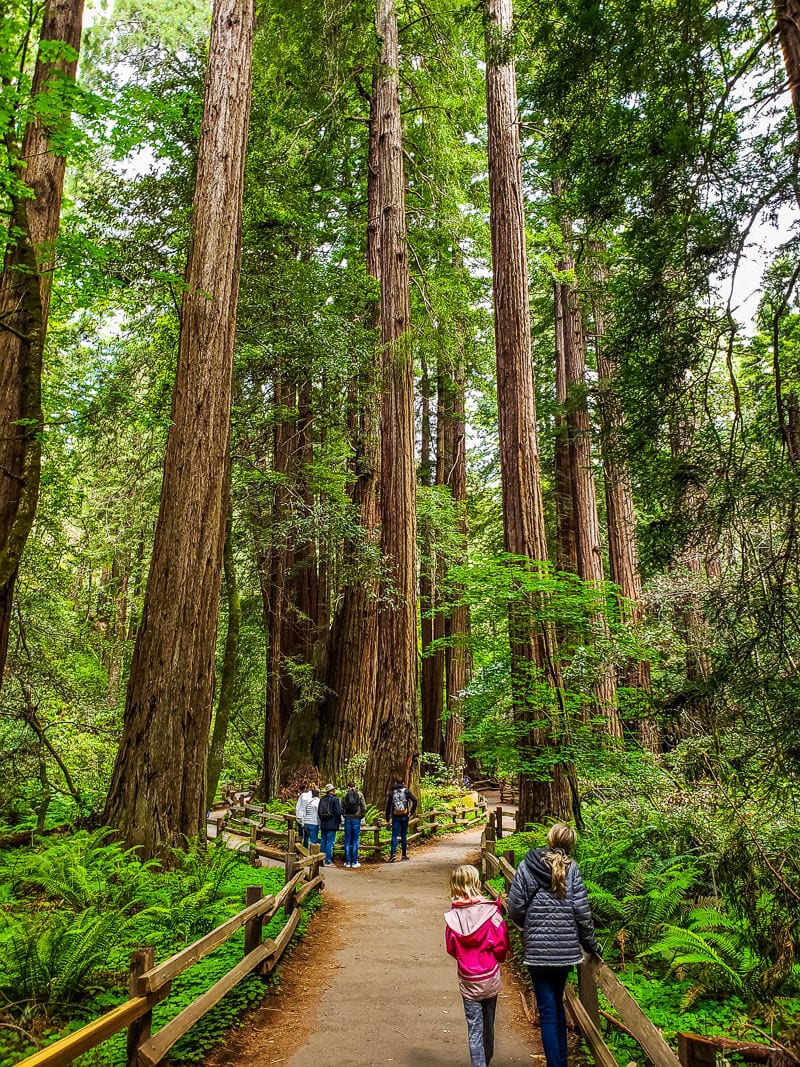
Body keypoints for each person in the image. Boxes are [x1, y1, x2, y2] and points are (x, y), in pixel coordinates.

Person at [506, 823, 601, 1067]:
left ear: (549, 840)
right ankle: (560, 1063)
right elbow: (582, 913)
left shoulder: (527, 865)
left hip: (537, 951)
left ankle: (556, 1064)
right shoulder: (573, 870)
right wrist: (591, 944)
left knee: (548, 1010)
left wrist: (527, 927)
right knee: (556, 1004)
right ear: (571, 844)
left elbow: (515, 907)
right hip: (565, 952)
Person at [445, 864, 510, 1067]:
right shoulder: (491, 913)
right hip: (489, 975)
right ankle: (487, 1059)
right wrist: (498, 958)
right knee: (488, 1022)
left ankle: (478, 1064)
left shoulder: (453, 918)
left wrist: (465, 957)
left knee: (474, 1026)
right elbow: (501, 943)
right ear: (476, 883)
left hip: (468, 978)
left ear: (455, 887)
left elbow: (451, 947)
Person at [384, 778, 417, 862]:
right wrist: (411, 812)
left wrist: (387, 818)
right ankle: (404, 855)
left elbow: (388, 806)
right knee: (403, 835)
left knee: (394, 835)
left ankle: (392, 855)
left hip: (395, 816)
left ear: (395, 783)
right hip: (405, 815)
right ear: (403, 783)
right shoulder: (406, 791)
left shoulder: (392, 793)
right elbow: (415, 800)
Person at [341, 779, 367, 868]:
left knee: (347, 840)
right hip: (356, 819)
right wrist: (361, 816)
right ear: (355, 786)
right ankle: (355, 861)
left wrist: (345, 816)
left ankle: (348, 862)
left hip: (348, 819)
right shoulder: (359, 794)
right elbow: (364, 807)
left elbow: (342, 808)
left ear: (348, 787)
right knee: (355, 840)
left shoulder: (344, 795)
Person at [318, 783, 341, 866]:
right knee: (330, 842)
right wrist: (338, 822)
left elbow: (319, 812)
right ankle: (328, 860)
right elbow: (338, 812)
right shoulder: (335, 799)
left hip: (323, 824)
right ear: (332, 791)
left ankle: (321, 860)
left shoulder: (322, 799)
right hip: (332, 824)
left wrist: (322, 820)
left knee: (323, 841)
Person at [295, 782, 315, 848]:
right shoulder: (313, 796)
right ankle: (306, 849)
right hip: (309, 818)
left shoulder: (302, 795)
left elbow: (297, 807)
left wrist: (298, 817)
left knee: (300, 834)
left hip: (300, 817)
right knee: (307, 835)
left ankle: (299, 848)